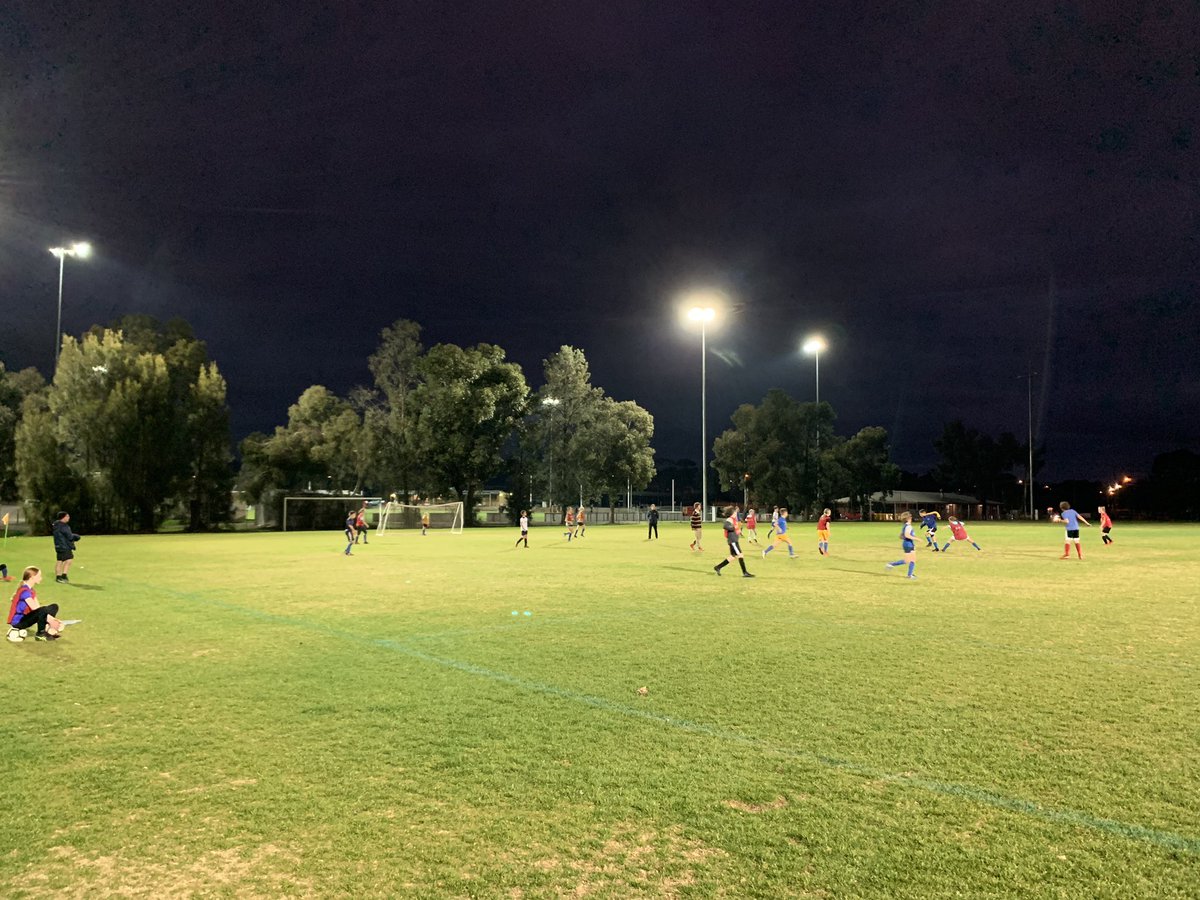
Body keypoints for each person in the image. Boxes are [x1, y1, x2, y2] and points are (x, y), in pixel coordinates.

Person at [7, 566, 62, 642]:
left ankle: (48, 629)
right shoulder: (25, 592)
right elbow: (35, 609)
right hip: (19, 622)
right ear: (32, 577)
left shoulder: (31, 590)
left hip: (26, 618)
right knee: (43, 610)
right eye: (39, 576)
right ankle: (40, 634)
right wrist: (52, 620)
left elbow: (38, 608)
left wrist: (51, 621)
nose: (41, 578)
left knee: (54, 606)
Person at [714, 506, 754, 578]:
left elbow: (736, 530)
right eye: (735, 512)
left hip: (734, 540)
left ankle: (718, 567)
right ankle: (745, 572)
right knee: (740, 555)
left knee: (732, 556)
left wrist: (738, 530)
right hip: (732, 541)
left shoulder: (734, 520)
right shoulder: (730, 519)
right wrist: (734, 527)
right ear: (732, 513)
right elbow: (725, 526)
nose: (736, 513)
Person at [886, 511, 918, 579]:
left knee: (913, 559)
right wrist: (917, 539)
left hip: (910, 544)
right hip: (908, 544)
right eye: (911, 516)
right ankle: (891, 564)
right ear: (908, 518)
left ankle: (910, 575)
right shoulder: (908, 526)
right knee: (907, 560)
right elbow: (907, 535)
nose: (912, 518)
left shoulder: (906, 526)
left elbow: (901, 536)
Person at [52, 511, 81, 583]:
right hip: (64, 546)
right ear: (63, 517)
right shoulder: (64, 526)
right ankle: (62, 576)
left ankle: (60, 576)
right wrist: (77, 537)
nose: (69, 518)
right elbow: (70, 536)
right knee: (68, 560)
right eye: (67, 516)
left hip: (58, 545)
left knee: (60, 561)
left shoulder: (56, 525)